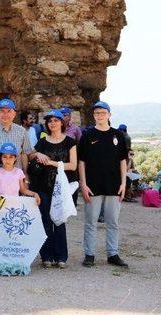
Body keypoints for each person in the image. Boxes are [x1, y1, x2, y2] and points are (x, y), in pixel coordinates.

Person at [79, 101, 128, 268]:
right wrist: (83, 184)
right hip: (92, 185)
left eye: (102, 113)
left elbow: (123, 161)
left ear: (109, 115)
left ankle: (113, 254)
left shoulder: (118, 136)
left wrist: (123, 183)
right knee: (91, 221)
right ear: (93, 115)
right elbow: (81, 162)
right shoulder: (87, 135)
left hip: (114, 185)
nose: (99, 115)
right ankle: (89, 254)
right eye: (96, 113)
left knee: (112, 222)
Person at [29, 110, 77, 269]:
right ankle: (46, 256)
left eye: (56, 120)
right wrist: (39, 155)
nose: (53, 123)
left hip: (61, 187)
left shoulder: (70, 142)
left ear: (62, 123)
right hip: (43, 185)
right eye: (50, 121)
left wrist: (52, 163)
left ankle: (61, 256)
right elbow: (31, 156)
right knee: (46, 221)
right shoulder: (42, 141)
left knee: (60, 219)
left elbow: (73, 165)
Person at [0, 98, 34, 176]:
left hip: (15, 178)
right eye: (2, 111)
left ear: (14, 114)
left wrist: (25, 174)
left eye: (9, 111)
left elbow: (24, 154)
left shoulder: (22, 131)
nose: (5, 114)